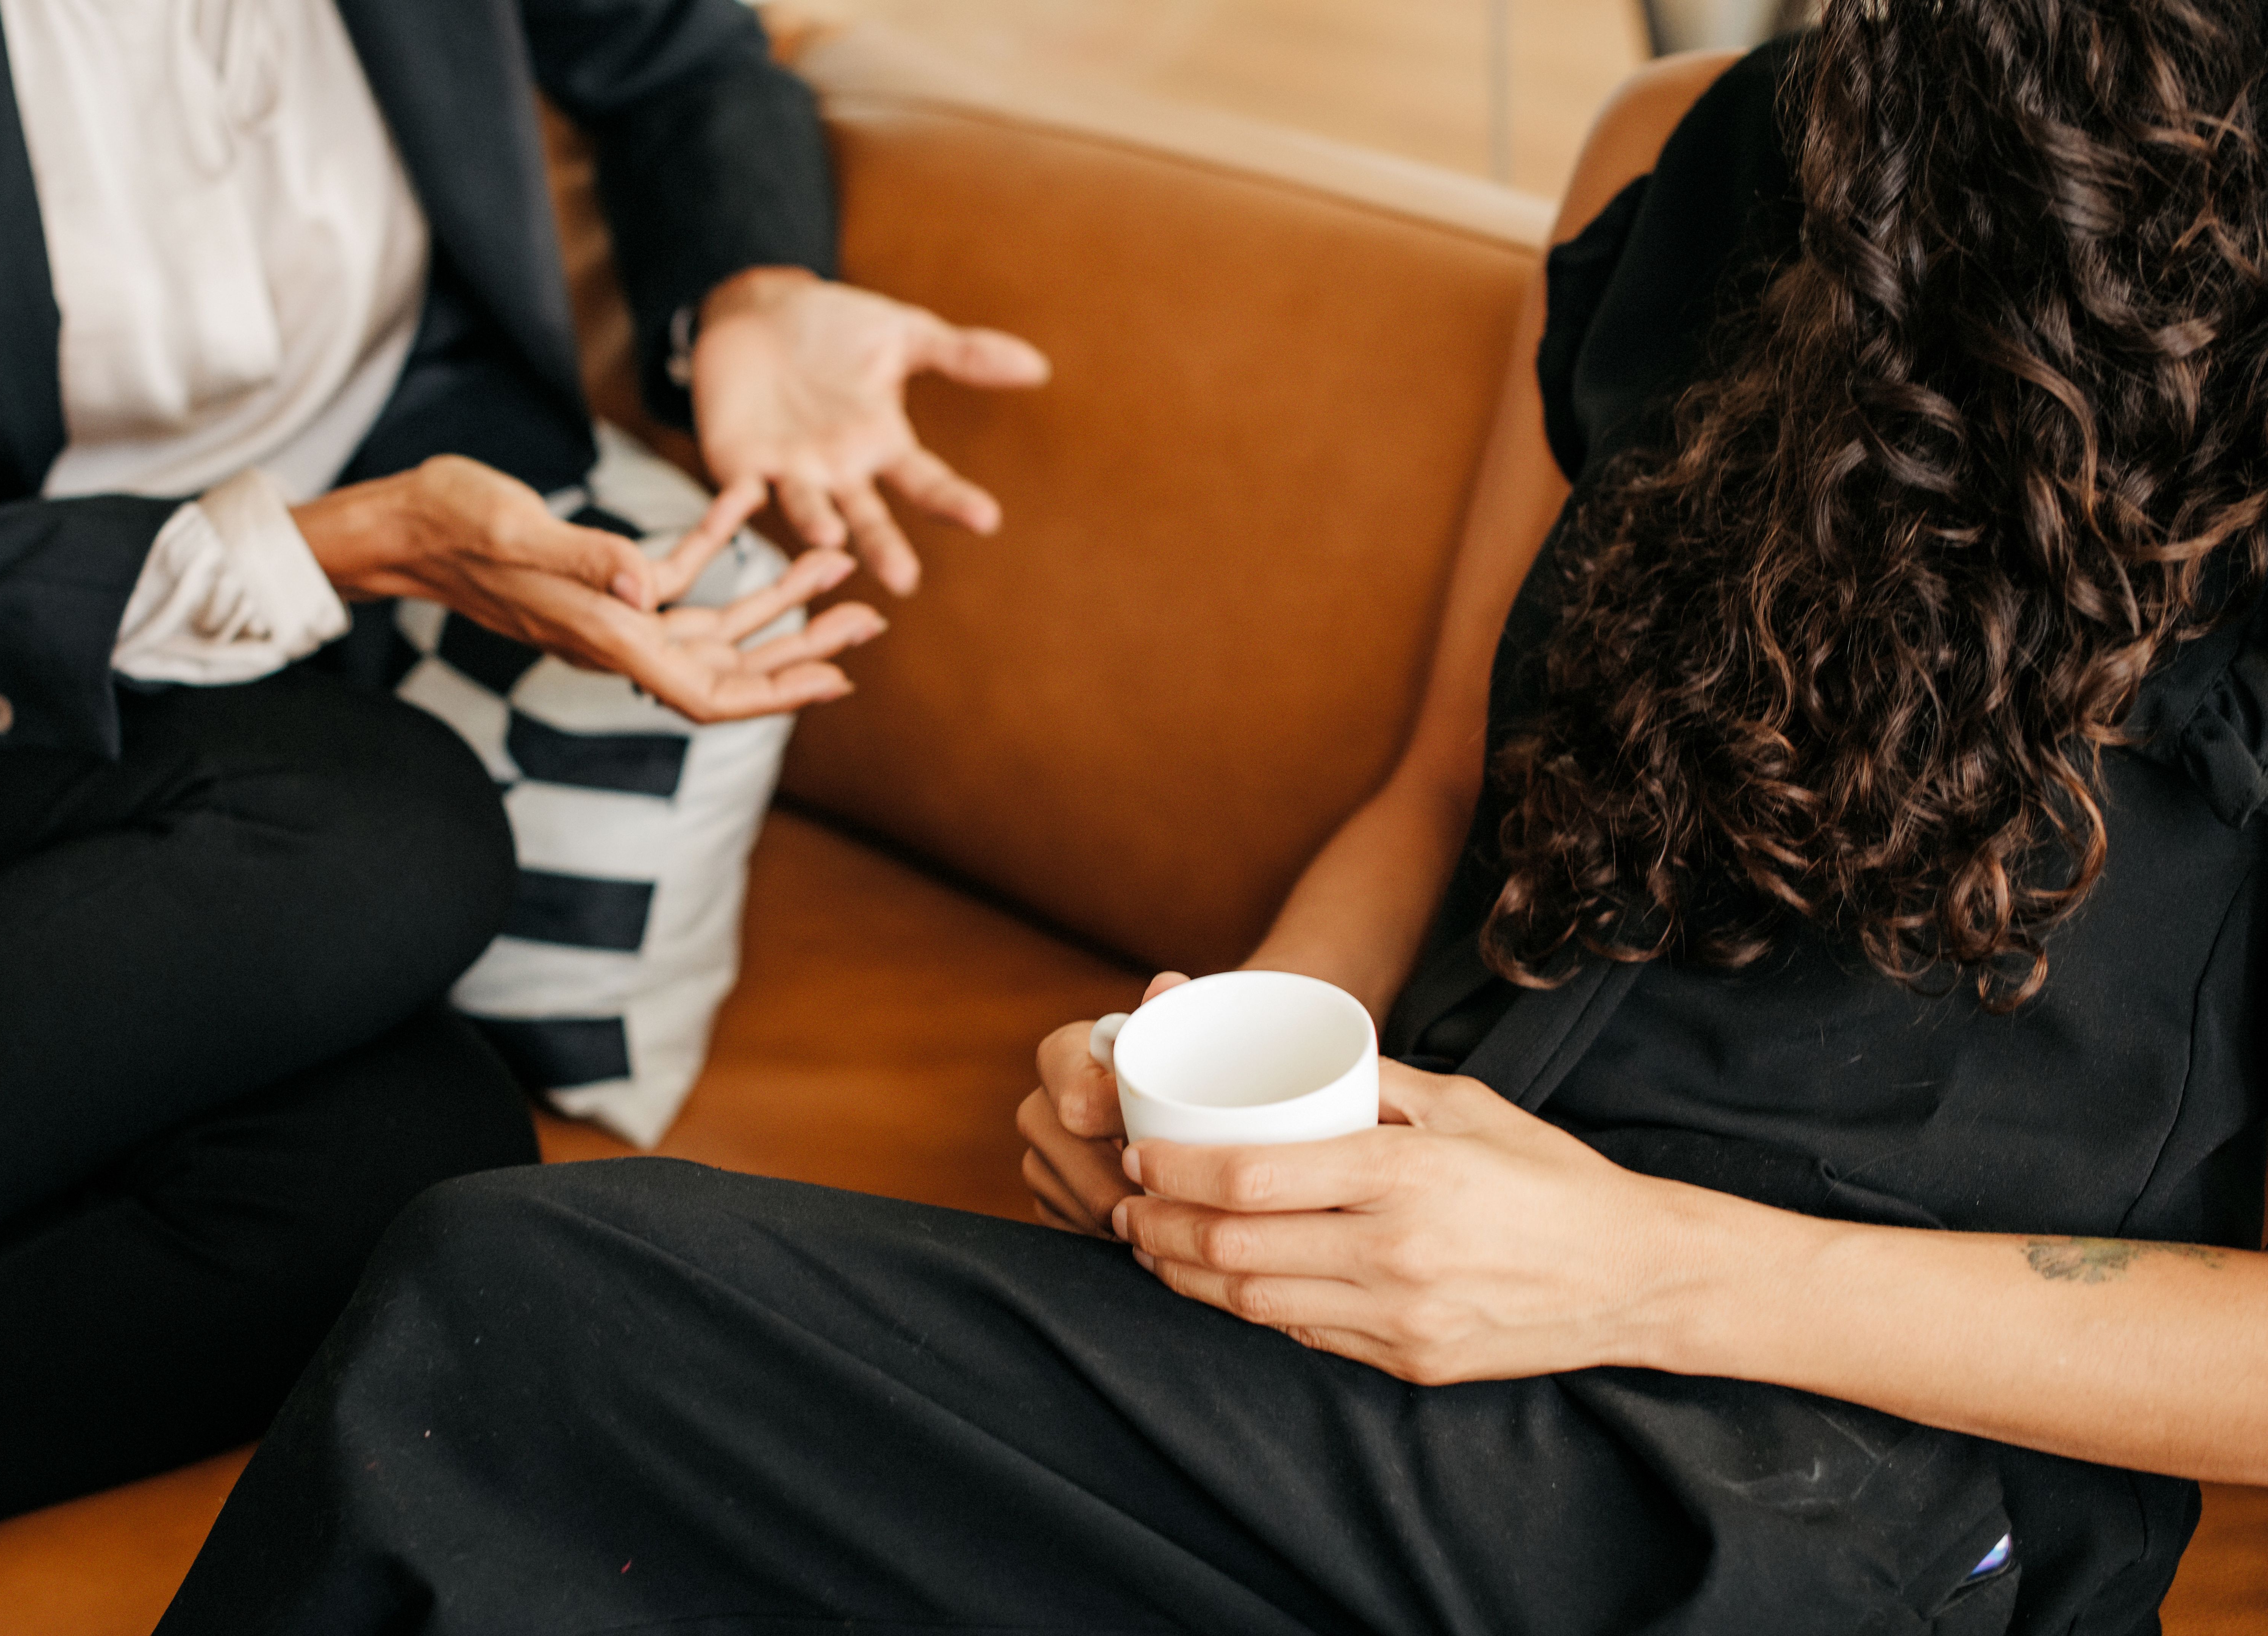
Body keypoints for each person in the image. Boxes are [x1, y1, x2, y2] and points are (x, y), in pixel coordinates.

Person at [153, 5, 2268, 1633]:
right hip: (1370, 1343)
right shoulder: (1689, 156)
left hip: (1830, 1490)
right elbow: (1446, 789)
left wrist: (1644, 1276)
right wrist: (1214, 1056)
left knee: (503, 1312)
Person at [0, 0, 1045, 1567]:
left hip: (262, 684)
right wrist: (332, 546)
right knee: (382, 824)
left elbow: (675, 53)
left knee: (410, 1160)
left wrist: (754, 289)